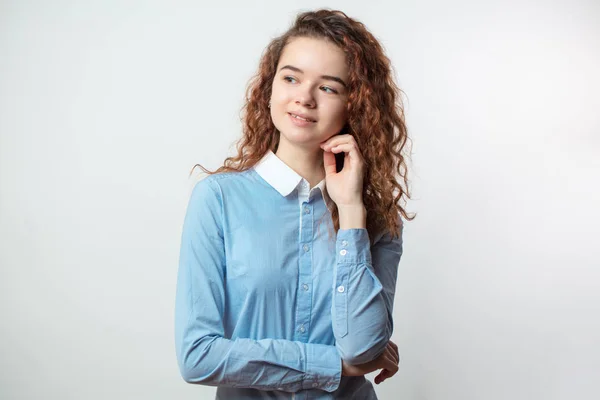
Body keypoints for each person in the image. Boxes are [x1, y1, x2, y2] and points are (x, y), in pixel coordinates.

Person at [175, 8, 414, 399]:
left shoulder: (377, 217)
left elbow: (363, 347)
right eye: (291, 78)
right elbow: (197, 355)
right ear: (270, 87)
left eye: (329, 87)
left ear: (354, 104)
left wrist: (352, 211)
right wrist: (334, 366)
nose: (304, 97)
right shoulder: (217, 199)